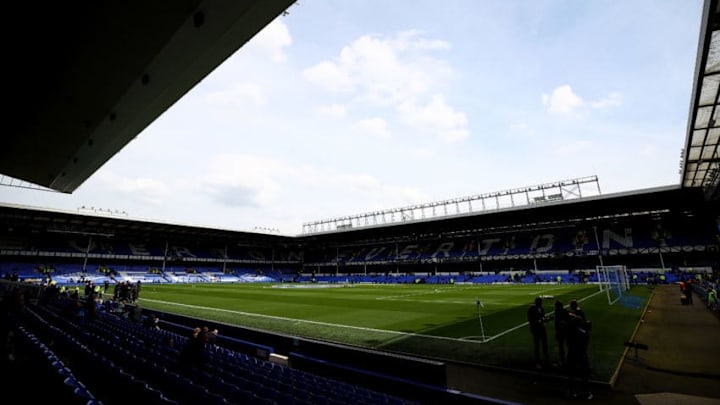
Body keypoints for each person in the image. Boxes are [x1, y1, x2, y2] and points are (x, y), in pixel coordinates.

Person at [566, 299, 592, 400]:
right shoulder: (584, 334)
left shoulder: (570, 333)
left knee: (572, 374)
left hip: (573, 355)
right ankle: (586, 392)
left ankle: (571, 392)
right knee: (584, 374)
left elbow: (568, 340)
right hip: (581, 355)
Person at [527, 297, 550, 370]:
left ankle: (546, 359)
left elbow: (543, 317)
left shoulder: (541, 309)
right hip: (535, 329)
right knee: (537, 345)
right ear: (537, 302)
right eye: (540, 302)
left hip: (542, 328)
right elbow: (531, 320)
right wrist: (539, 321)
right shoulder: (532, 309)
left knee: (544, 344)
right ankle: (537, 362)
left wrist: (547, 319)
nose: (541, 303)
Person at [554, 300, 570, 368]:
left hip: (561, 331)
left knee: (562, 345)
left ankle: (564, 360)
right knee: (565, 345)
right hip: (564, 330)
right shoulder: (564, 311)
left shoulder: (558, 311)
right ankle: (566, 359)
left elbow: (558, 322)